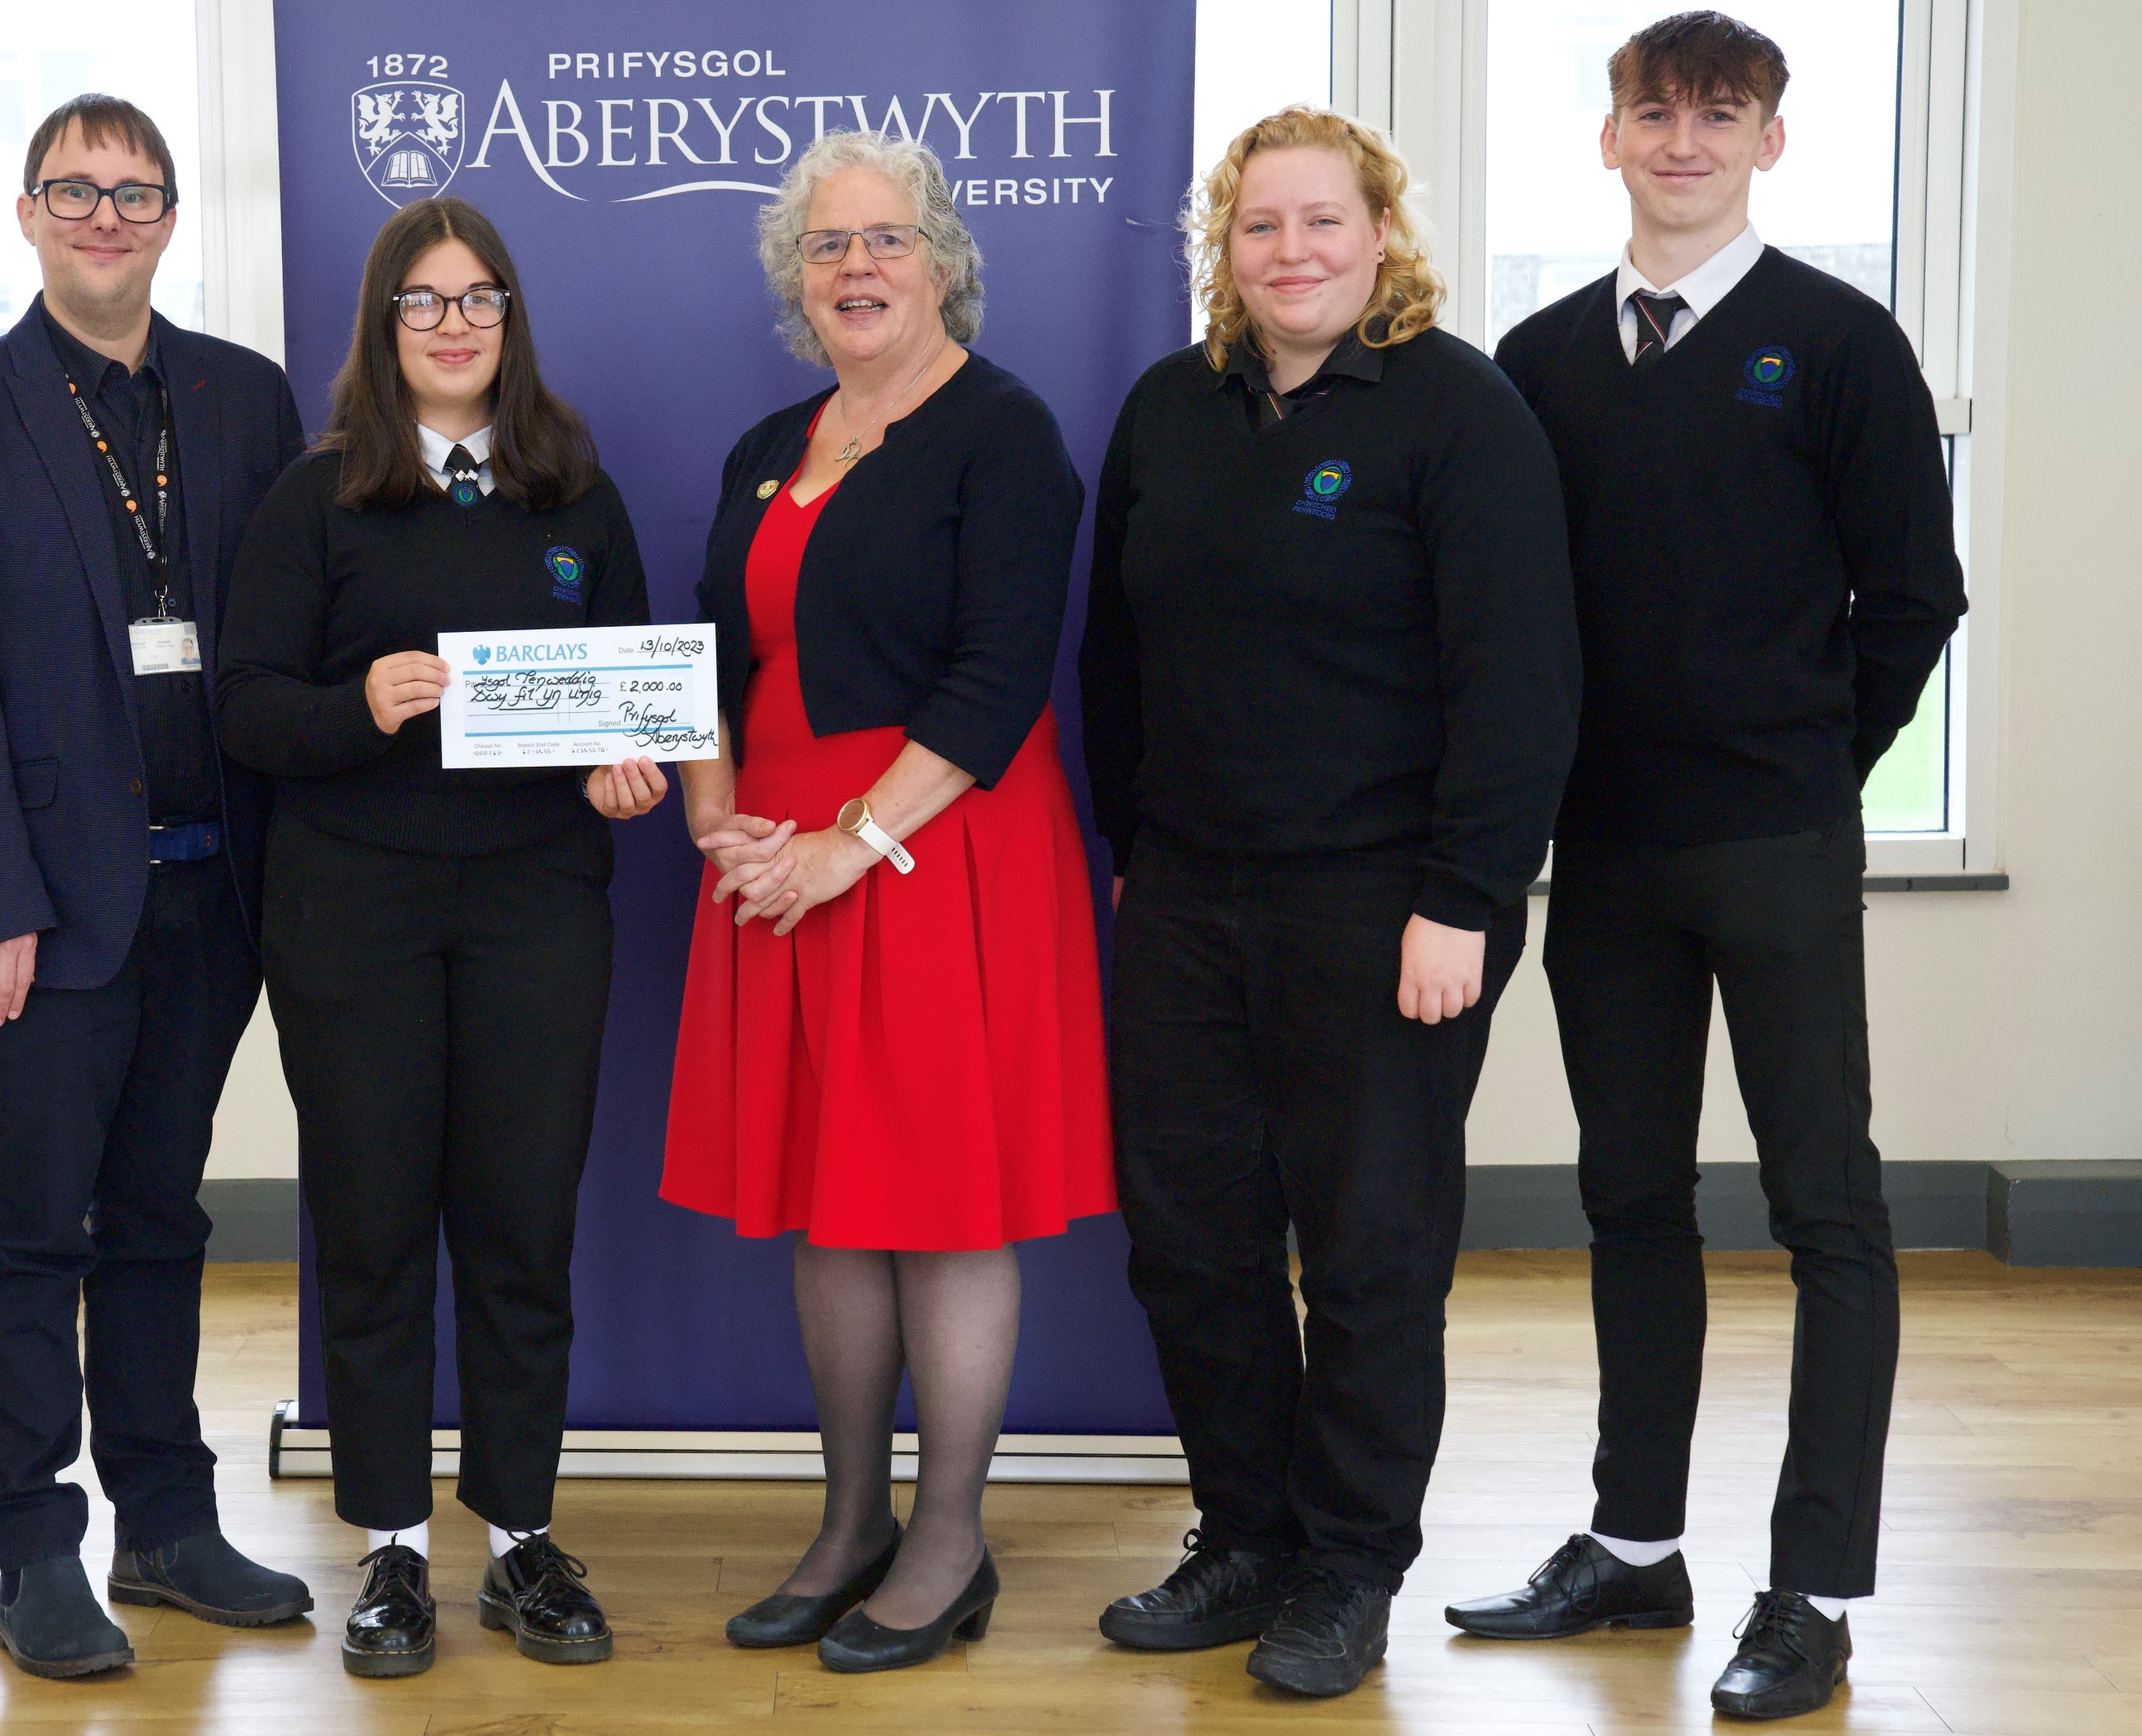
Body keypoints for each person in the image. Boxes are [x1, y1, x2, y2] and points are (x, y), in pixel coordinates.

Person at [1446, 14, 1966, 1721]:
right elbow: (1507, 621)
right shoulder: (1533, 359)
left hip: (1777, 845)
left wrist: (1817, 765)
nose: (1682, 138)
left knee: (1830, 1209)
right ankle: (1634, 1542)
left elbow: (1912, 601)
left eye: (1718, 113)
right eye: (1652, 111)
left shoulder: (1838, 344)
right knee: (1629, 1199)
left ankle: (1810, 1589)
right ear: (1607, 142)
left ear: (1768, 144)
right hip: (1602, 858)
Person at [1079, 107, 1580, 1700]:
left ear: (1381, 235)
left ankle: (1352, 1567)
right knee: (1194, 1244)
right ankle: (1246, 1538)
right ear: (1221, 248)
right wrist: (1128, 859)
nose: (1291, 252)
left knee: (1367, 1257)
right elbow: (1115, 665)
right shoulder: (1170, 409)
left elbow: (1522, 685)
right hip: (1182, 898)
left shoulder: (1457, 410)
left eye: (1323, 222)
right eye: (1259, 226)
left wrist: (1467, 900)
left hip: (1386, 910)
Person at [661, 130, 1115, 1677]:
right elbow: (715, 657)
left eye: (888, 241)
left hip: (933, 850)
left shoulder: (1004, 432)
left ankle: (948, 1539)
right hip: (778, 857)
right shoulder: (769, 441)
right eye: (830, 244)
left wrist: (849, 845)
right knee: (827, 1193)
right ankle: (852, 1521)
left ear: (944, 264)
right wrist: (723, 822)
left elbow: (999, 685)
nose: (858, 267)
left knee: (938, 1199)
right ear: (800, 277)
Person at [0, 93, 311, 1679]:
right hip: (50, 910)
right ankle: (35, 1542)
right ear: (28, 212)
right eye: (77, 190)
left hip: (217, 897)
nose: (106, 217)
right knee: (32, 1232)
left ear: (172, 217)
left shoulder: (245, 400)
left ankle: (167, 1523)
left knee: (159, 1219)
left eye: (135, 194)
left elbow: (291, 628)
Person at [218, 195, 663, 1682]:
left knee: (524, 1227)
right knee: (375, 1224)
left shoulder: (572, 500)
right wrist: (364, 707)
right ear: (384, 325)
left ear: (512, 320)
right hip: (355, 916)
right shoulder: (315, 499)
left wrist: (627, 770)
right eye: (426, 300)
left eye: (481, 298)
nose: (457, 323)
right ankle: (393, 1550)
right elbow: (247, 711)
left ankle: (522, 1536)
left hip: (537, 908)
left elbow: (635, 714)